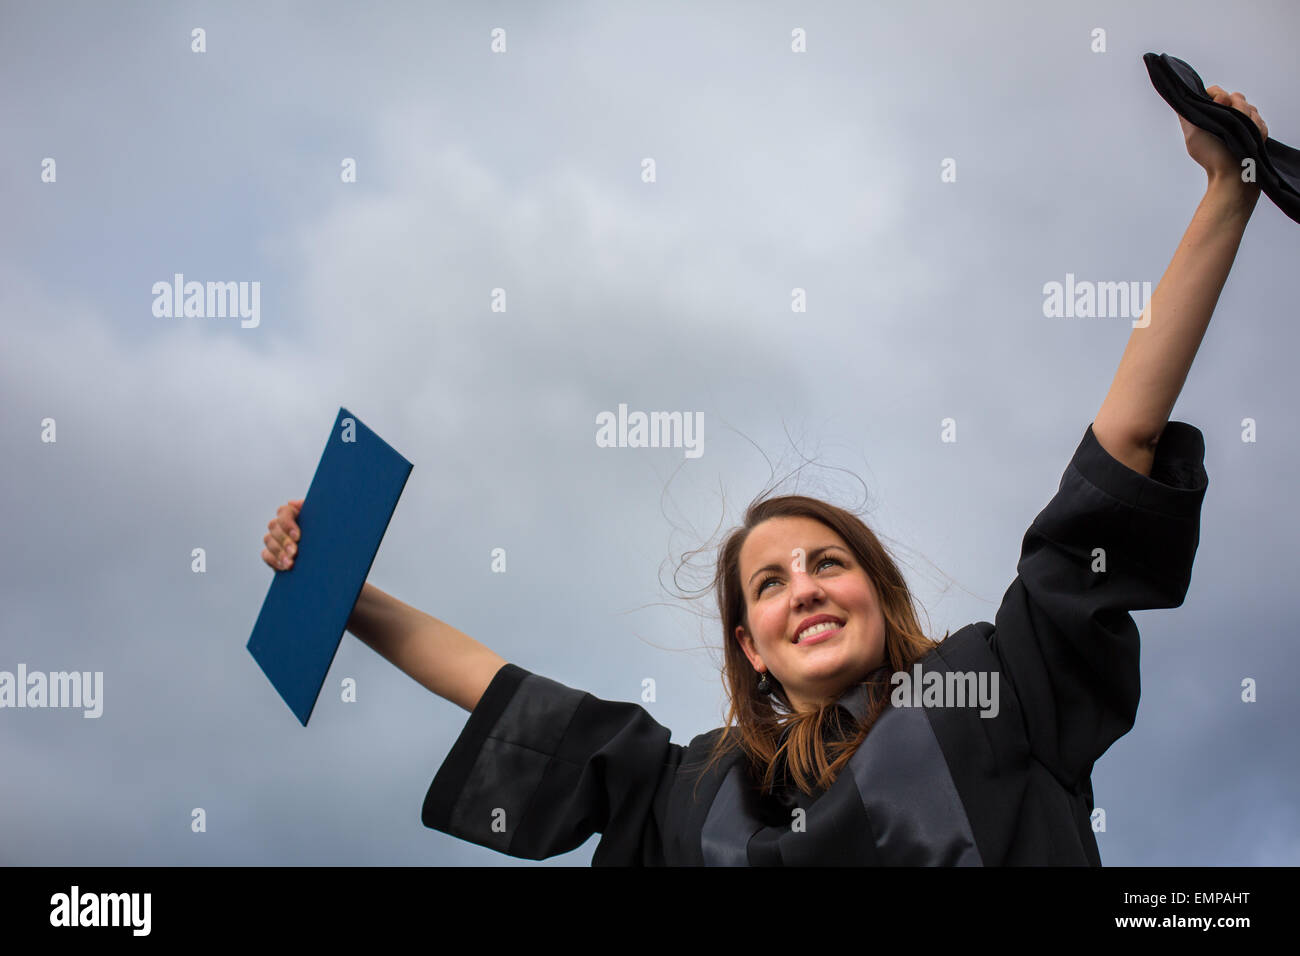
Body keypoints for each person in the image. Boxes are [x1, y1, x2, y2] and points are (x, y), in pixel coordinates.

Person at [259, 85, 1266, 865]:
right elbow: (506, 692)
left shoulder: (993, 686)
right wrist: (344, 594)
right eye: (770, 582)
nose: (806, 589)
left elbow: (1119, 447)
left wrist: (1227, 194)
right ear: (750, 642)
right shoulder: (698, 792)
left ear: (877, 588)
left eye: (827, 562)